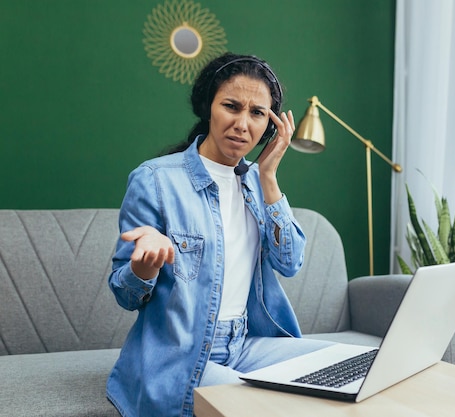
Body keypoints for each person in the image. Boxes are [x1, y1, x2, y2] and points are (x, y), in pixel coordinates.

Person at [106, 52, 331, 417]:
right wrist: (144, 267)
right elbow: (124, 292)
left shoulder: (259, 183)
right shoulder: (156, 180)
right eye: (231, 106)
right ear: (208, 107)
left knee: (354, 367)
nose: (243, 124)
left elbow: (290, 264)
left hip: (245, 345)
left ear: (270, 125)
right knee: (256, 408)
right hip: (180, 355)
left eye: (257, 113)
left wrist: (269, 176)